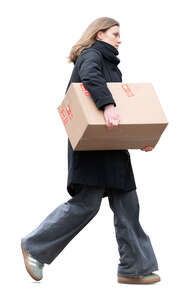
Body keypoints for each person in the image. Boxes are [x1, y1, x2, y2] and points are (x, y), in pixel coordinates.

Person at [21, 17, 160, 284]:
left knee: (128, 206)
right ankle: (34, 247)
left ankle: (134, 268)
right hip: (92, 148)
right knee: (86, 205)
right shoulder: (91, 56)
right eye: (115, 33)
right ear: (99, 34)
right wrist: (107, 104)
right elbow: (91, 79)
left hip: (113, 149)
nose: (120, 39)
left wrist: (141, 138)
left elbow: (123, 115)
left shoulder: (113, 68)